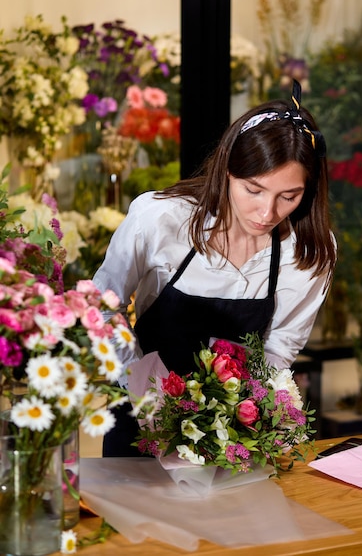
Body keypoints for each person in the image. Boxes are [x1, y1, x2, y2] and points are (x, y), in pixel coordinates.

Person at [93, 80, 337, 456]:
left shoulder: (305, 251)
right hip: (140, 416)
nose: (267, 213)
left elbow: (280, 346)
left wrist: (242, 420)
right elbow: (103, 304)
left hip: (232, 433)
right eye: (253, 190)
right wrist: (146, 389)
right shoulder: (160, 218)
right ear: (227, 172)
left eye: (288, 196)